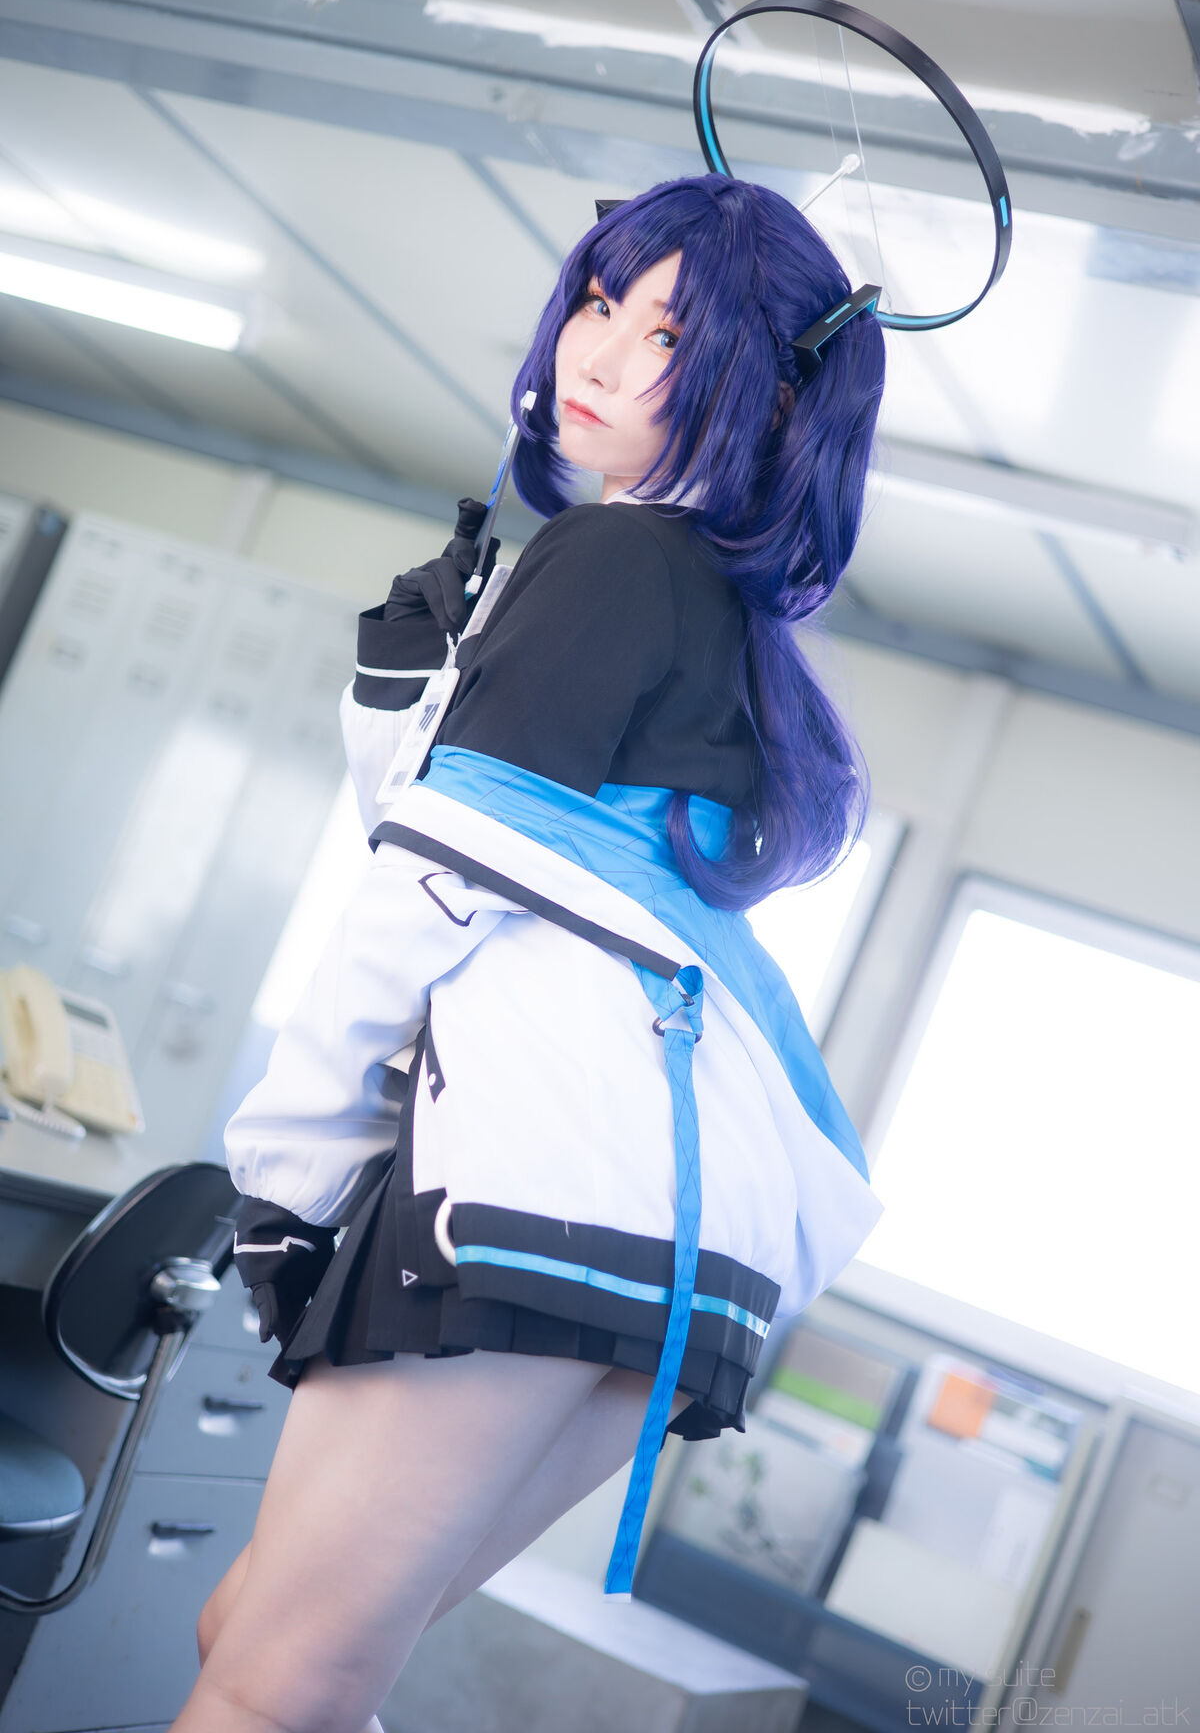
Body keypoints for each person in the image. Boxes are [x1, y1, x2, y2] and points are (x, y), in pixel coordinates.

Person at [172, 172, 887, 1733]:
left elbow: (427, 898)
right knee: (268, 1642)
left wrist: (287, 1177)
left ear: (766, 396)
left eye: (669, 337)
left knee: (278, 1680)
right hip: (690, 1246)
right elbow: (544, 881)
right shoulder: (731, 620)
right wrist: (402, 706)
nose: (602, 354)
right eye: (601, 304)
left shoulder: (613, 557)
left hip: (537, 1199)